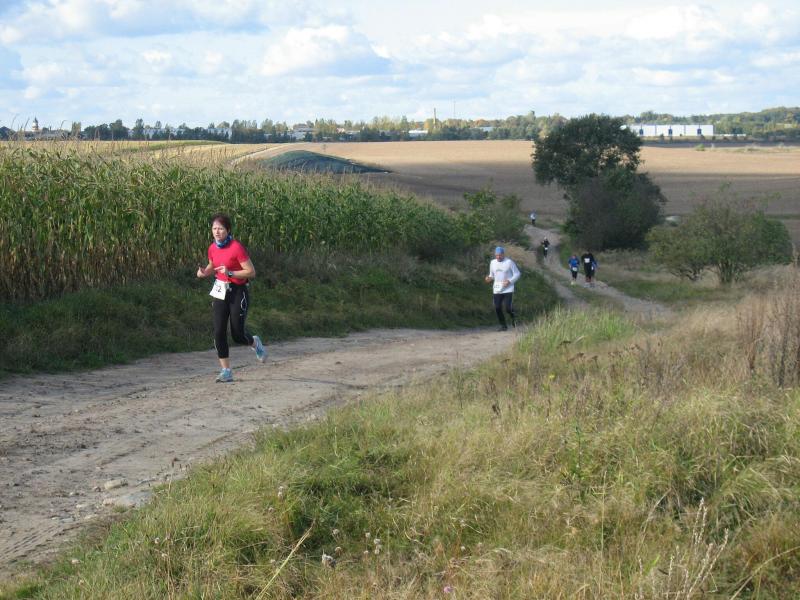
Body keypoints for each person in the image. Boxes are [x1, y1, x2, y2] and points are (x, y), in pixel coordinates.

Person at [196, 213, 267, 382]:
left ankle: (254, 342)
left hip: (237, 291)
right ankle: (226, 371)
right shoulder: (212, 248)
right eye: (214, 228)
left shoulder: (236, 247)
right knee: (218, 332)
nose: (217, 232)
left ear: (228, 230)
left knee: (237, 334)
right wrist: (204, 272)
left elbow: (251, 272)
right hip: (220, 291)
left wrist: (230, 273)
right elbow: (213, 265)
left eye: (220, 228)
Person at [485, 246, 521, 331]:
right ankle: (503, 326)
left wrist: (509, 281)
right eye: (497, 255)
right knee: (497, 307)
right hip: (497, 288)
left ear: (503, 254)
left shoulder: (509, 262)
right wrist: (489, 278)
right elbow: (492, 275)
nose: (498, 257)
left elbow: (517, 274)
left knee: (508, 308)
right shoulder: (492, 262)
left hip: (508, 288)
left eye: (500, 255)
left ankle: (513, 317)